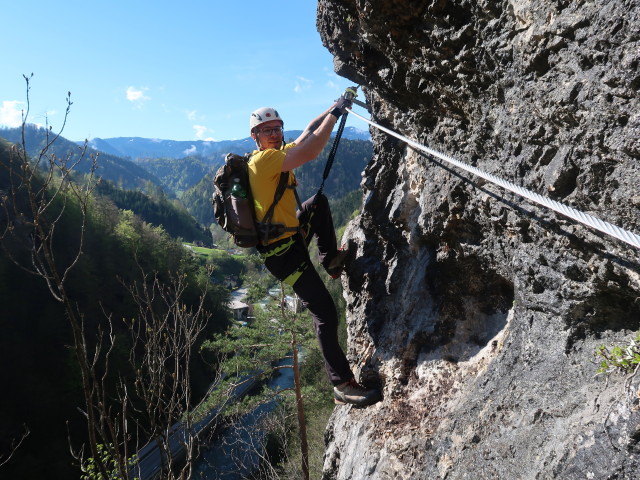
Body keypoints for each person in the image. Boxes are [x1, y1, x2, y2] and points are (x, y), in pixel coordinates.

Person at [247, 94, 380, 407]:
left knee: (317, 204)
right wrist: (335, 118)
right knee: (324, 313)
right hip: (284, 254)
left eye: (278, 128)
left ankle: (331, 259)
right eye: (268, 131)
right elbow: (311, 149)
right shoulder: (265, 161)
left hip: (289, 236)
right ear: (255, 137)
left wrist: (333, 108)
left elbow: (306, 134)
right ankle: (342, 384)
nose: (276, 134)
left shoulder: (275, 153)